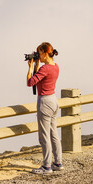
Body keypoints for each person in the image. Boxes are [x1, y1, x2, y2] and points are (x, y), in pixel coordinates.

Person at [27, 42, 64, 174]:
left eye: (39, 53)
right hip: (54, 100)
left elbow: (30, 82)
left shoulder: (45, 69)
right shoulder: (55, 67)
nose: (38, 55)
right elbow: (41, 79)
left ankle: (46, 166)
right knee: (54, 133)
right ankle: (58, 163)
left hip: (44, 102)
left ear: (43, 52)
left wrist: (30, 67)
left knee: (44, 136)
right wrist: (37, 64)